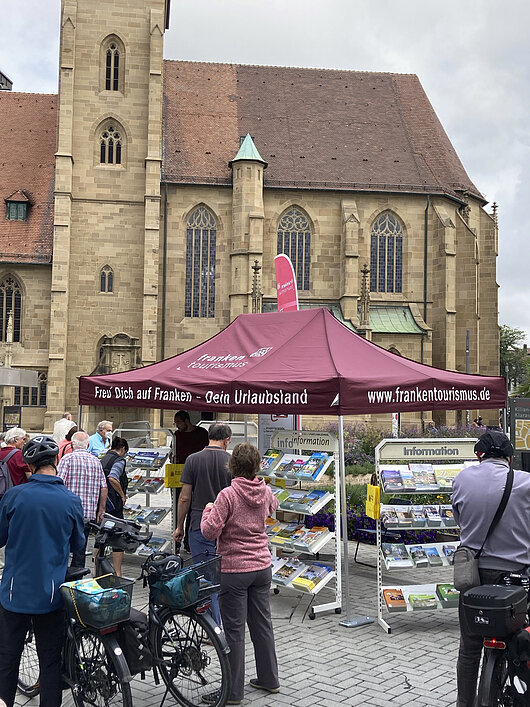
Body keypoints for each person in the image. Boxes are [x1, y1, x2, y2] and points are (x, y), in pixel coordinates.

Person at [0, 435, 85, 707]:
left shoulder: (14, 496)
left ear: (31, 465)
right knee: (50, 660)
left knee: (8, 657)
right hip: (51, 594)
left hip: (15, 593)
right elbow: (78, 545)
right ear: (56, 461)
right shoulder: (70, 500)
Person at [452, 430, 530, 707]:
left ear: (478, 455)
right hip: (516, 576)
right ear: (511, 458)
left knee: (469, 648)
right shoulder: (526, 482)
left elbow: (460, 520)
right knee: (519, 639)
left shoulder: (462, 479)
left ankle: (464, 703)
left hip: (474, 575)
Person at [200, 442, 280, 706]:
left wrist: (208, 510)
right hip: (262, 566)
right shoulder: (265, 490)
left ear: (232, 466)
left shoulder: (227, 495)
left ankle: (233, 692)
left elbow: (210, 532)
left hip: (235, 569)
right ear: (257, 466)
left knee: (234, 631)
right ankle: (269, 679)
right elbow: (273, 507)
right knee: (262, 624)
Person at [172, 422, 232, 626]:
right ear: (227, 440)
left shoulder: (193, 459)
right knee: (224, 577)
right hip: (226, 525)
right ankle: (225, 622)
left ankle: (214, 626)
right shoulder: (232, 461)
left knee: (205, 578)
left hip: (199, 523)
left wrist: (179, 525)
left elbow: (184, 498)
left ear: (208, 437)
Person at [58, 431, 108, 568]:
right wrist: (101, 509)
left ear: (72, 444)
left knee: (63, 548)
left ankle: (60, 579)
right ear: (88, 444)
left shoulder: (66, 459)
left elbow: (59, 484)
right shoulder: (96, 462)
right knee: (80, 550)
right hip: (86, 514)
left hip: (67, 512)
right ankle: (76, 581)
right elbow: (104, 487)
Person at [173, 411, 209, 551]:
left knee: (193, 508)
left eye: (179, 422)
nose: (177, 425)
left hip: (198, 476)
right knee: (179, 506)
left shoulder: (201, 433)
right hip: (179, 476)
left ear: (186, 421)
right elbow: (173, 450)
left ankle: (188, 541)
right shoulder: (177, 435)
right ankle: (176, 541)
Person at [100, 436, 129, 576]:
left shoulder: (104, 458)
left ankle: (97, 570)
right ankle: (118, 573)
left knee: (101, 534)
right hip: (114, 503)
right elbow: (113, 478)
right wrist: (122, 495)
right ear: (123, 449)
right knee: (118, 536)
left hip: (102, 502)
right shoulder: (119, 461)